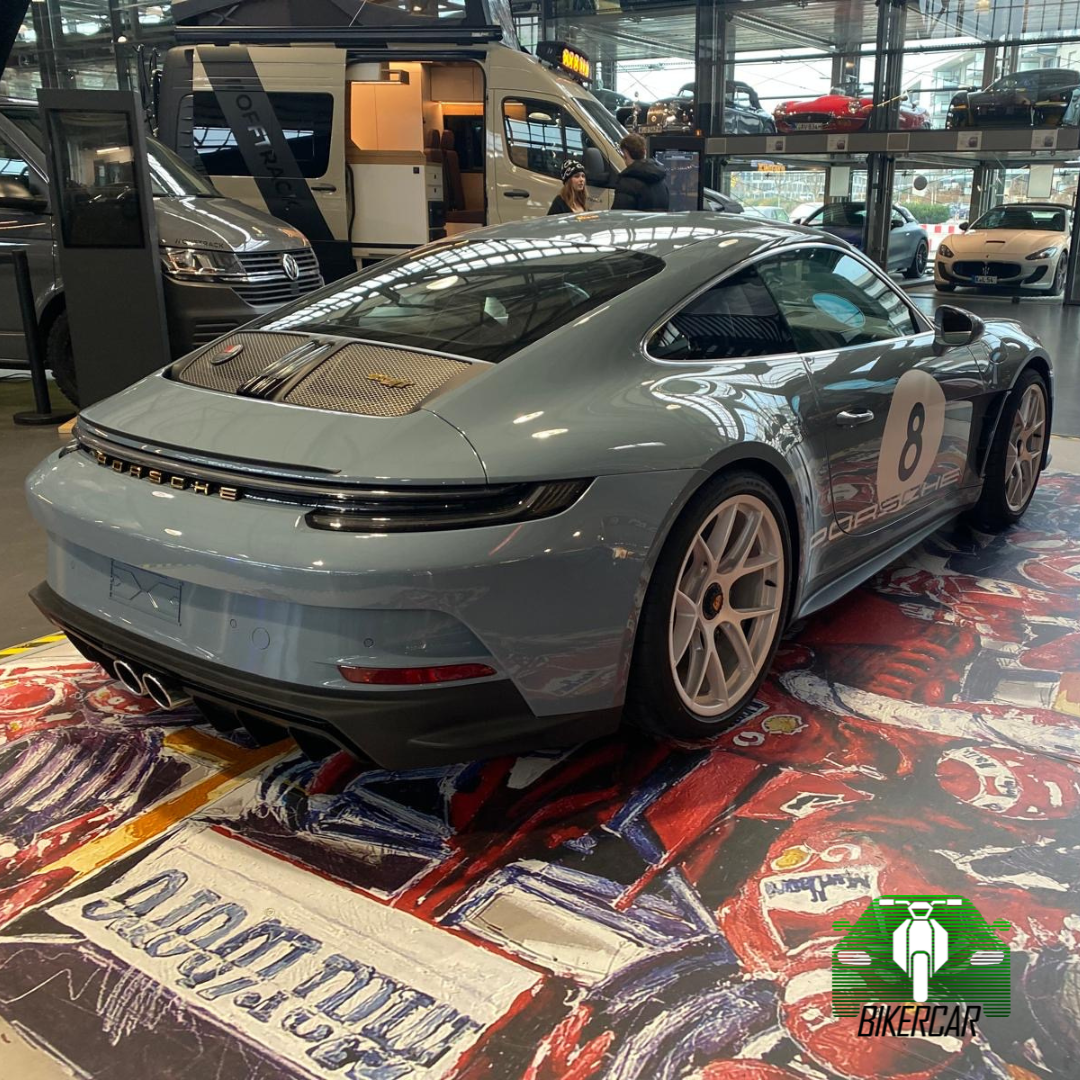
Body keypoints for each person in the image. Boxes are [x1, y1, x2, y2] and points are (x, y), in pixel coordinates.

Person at [612, 133, 670, 212]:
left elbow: (619, 214)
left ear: (626, 153)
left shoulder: (627, 183)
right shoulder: (660, 180)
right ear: (644, 152)